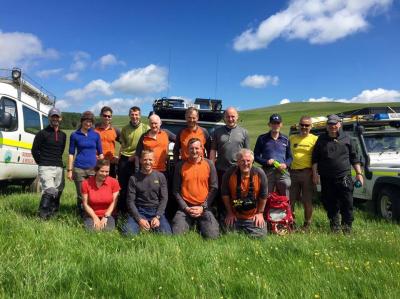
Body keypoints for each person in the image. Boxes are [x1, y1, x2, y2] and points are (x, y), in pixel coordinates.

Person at [312, 114, 364, 233]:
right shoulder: (321, 139)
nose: (332, 126)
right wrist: (315, 174)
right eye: (330, 124)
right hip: (326, 178)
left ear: (339, 124)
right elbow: (315, 159)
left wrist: (359, 174)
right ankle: (334, 227)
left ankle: (347, 228)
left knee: (347, 203)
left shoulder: (347, 138)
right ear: (327, 126)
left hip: (344, 177)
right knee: (330, 203)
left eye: (335, 124)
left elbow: (354, 158)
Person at [172, 138, 219, 239]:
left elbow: (214, 187)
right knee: (177, 235)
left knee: (213, 236)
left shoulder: (209, 164)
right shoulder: (180, 166)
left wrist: (203, 207)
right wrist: (186, 208)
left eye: (197, 148)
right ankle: (192, 223)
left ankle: (199, 224)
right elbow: (176, 190)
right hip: (185, 207)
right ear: (187, 150)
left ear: (202, 149)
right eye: (191, 148)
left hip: (204, 207)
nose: (194, 151)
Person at [209, 107, 250, 220]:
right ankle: (223, 217)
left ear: (237, 117)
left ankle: (237, 216)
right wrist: (211, 167)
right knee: (222, 195)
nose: (230, 119)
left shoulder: (244, 132)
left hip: (238, 171)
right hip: (221, 170)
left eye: (233, 116)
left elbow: (247, 153)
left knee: (237, 195)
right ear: (224, 117)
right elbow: (213, 150)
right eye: (228, 116)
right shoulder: (217, 132)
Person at [221, 149, 268, 238]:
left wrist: (260, 213)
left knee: (260, 236)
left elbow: (263, 195)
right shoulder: (230, 173)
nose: (245, 163)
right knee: (227, 235)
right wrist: (230, 213)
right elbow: (225, 194)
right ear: (237, 162)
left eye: (248, 161)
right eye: (242, 161)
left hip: (253, 216)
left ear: (252, 161)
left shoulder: (259, 173)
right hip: (235, 215)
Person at [124, 150, 171, 235]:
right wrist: (139, 219)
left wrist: (157, 217)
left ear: (154, 161)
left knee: (167, 234)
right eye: (145, 159)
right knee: (128, 233)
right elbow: (130, 201)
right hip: (139, 210)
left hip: (156, 211)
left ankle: (152, 225)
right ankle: (144, 225)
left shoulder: (160, 176)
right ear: (141, 160)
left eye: (150, 160)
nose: (148, 162)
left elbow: (164, 198)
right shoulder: (133, 178)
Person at [31, 107, 67, 219]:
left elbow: (60, 150)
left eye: (57, 116)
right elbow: (34, 150)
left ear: (60, 118)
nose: (55, 119)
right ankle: (42, 216)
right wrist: (41, 162)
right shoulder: (42, 133)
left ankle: (53, 213)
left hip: (59, 167)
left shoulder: (63, 135)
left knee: (58, 190)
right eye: (53, 116)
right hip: (46, 166)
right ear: (49, 118)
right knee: (49, 190)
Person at [68, 111, 104, 216]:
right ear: (82, 121)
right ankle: (81, 215)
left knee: (93, 193)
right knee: (81, 194)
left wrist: (102, 168)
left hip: (93, 169)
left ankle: (93, 215)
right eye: (86, 121)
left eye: (90, 122)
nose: (88, 124)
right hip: (79, 169)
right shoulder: (74, 135)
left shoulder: (96, 135)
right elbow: (71, 154)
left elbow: (101, 154)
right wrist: (69, 170)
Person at [118, 106, 150, 213]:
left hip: (138, 159)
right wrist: (120, 160)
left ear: (140, 116)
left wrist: (137, 155)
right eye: (132, 114)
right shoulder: (125, 128)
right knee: (123, 186)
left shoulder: (146, 128)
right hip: (125, 159)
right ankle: (123, 211)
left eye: (136, 114)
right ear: (129, 115)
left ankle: (135, 210)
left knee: (136, 186)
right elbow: (122, 145)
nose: (134, 117)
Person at [289, 116, 318, 230]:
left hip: (308, 173)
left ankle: (307, 225)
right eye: (302, 125)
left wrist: (316, 174)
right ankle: (291, 223)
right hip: (292, 173)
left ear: (311, 126)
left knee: (307, 200)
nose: (304, 127)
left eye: (307, 125)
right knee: (290, 200)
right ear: (298, 125)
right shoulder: (291, 138)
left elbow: (317, 158)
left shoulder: (315, 139)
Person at [254, 113, 292, 198]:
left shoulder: (285, 139)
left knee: (285, 193)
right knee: (266, 195)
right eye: (273, 123)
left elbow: (290, 157)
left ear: (281, 124)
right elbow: (256, 156)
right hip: (268, 171)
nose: (275, 125)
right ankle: (265, 211)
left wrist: (285, 164)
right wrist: (266, 162)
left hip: (282, 172)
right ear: (269, 124)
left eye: (277, 123)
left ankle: (286, 211)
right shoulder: (262, 138)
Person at [81, 159, 120, 231]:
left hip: (108, 214)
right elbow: (85, 204)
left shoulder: (114, 182)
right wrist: (95, 218)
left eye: (107, 171)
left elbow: (114, 202)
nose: (104, 174)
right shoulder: (85, 183)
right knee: (92, 230)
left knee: (107, 230)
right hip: (91, 214)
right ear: (96, 171)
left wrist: (106, 216)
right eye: (102, 171)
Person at [95, 106, 120, 178]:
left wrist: (119, 156)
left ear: (111, 117)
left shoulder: (115, 130)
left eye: (109, 116)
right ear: (100, 115)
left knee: (110, 185)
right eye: (105, 115)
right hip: (97, 162)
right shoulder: (94, 129)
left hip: (111, 163)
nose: (107, 118)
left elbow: (125, 143)